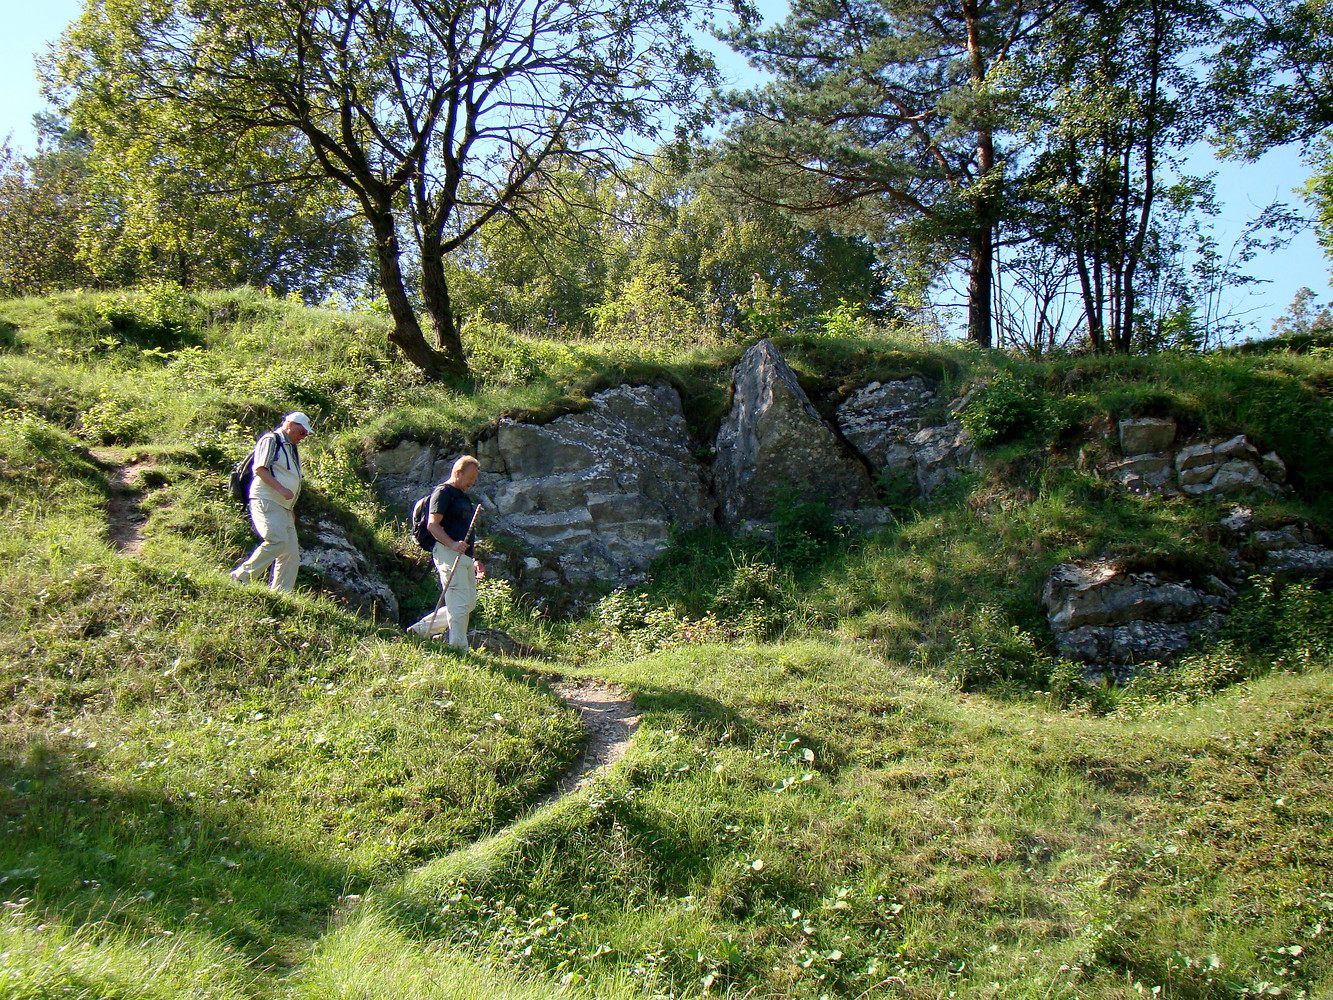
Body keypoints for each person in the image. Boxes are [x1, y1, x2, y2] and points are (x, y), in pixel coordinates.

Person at [407, 455, 486, 648]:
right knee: (458, 601)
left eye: (475, 478)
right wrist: (452, 545)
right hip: (447, 552)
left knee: (468, 603)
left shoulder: (463, 497)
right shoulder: (443, 492)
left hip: (463, 554)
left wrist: (475, 559)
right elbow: (433, 525)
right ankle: (459, 648)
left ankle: (420, 630)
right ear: (458, 472)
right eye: (470, 477)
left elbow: (465, 533)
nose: (473, 482)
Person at [230, 411, 312, 592]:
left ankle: (281, 594)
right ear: (289, 425)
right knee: (276, 540)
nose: (303, 437)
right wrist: (281, 489)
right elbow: (260, 468)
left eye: (305, 434)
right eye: (301, 432)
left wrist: (290, 508)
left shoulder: (290, 447)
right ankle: (241, 577)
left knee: (290, 554)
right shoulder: (271, 439)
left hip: (283, 506)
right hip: (266, 498)